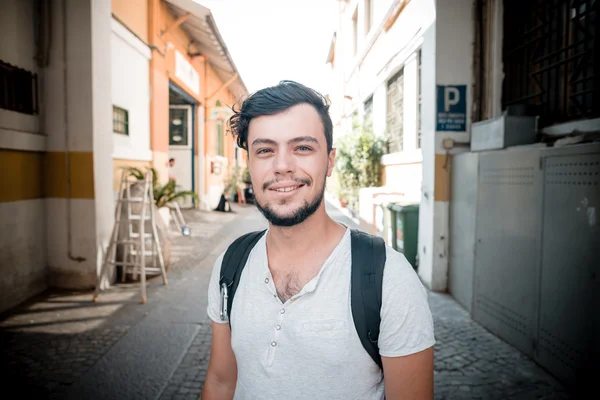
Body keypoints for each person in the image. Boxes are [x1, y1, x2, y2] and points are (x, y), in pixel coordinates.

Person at [202, 81, 435, 399]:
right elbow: (220, 382)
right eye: (265, 150)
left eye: (302, 148)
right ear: (250, 164)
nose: (282, 165)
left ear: (329, 160)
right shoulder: (231, 264)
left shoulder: (389, 279)